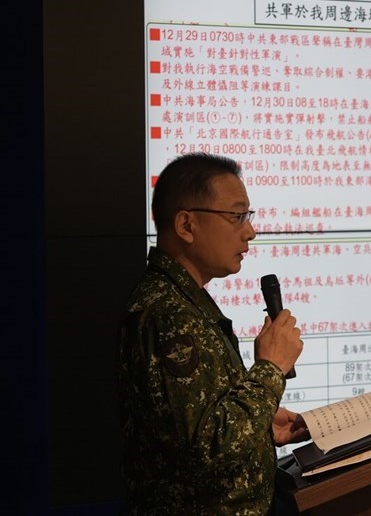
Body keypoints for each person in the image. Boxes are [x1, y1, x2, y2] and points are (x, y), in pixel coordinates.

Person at [117, 152, 308, 515]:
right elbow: (206, 449)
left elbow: (192, 428)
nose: (250, 231)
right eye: (236, 216)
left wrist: (261, 426)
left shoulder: (182, 300)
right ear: (187, 225)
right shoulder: (167, 314)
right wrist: (269, 370)